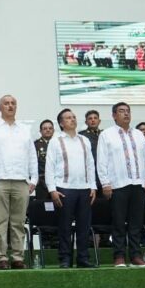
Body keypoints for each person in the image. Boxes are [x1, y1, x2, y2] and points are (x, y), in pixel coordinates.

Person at [0, 95, 36, 270]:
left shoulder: (25, 129)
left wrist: (34, 179)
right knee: (0, 221)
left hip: (21, 181)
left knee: (18, 222)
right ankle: (1, 258)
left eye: (13, 103)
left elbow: (31, 155)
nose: (10, 106)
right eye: (6, 103)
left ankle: (18, 257)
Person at [96, 102, 145, 268]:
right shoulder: (107, 134)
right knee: (119, 223)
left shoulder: (139, 134)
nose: (126, 114)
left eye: (128, 111)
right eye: (121, 111)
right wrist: (105, 183)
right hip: (117, 184)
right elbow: (102, 161)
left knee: (136, 223)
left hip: (138, 183)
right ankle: (119, 256)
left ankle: (136, 255)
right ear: (114, 115)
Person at [44, 109, 97, 268]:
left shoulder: (84, 140)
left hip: (84, 189)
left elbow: (90, 164)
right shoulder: (56, 141)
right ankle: (65, 259)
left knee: (84, 226)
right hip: (64, 188)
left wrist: (93, 186)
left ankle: (83, 258)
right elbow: (50, 166)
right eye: (68, 118)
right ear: (61, 123)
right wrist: (52, 189)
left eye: (74, 117)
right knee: (65, 226)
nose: (72, 120)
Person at [34, 119, 53, 201]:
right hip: (41, 182)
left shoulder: (58, 143)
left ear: (53, 130)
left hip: (56, 181)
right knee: (42, 206)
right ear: (40, 131)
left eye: (50, 128)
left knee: (58, 208)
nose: (48, 130)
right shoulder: (35, 145)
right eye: (45, 128)